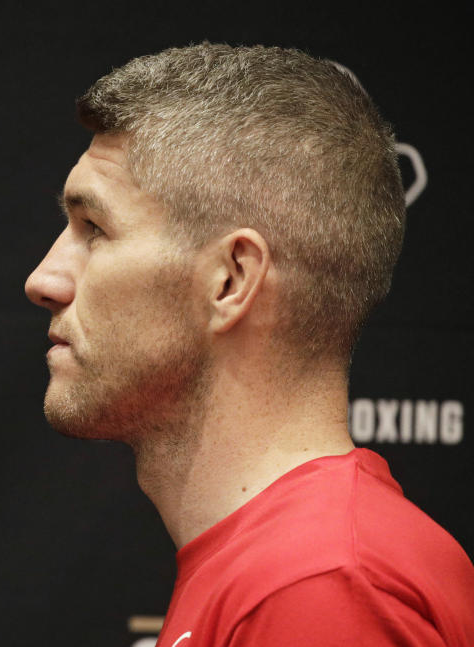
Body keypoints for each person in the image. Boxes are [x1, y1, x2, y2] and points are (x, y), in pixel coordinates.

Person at [25, 44, 474, 645]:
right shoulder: (290, 567)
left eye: (95, 230)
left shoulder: (320, 585)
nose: (44, 279)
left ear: (231, 280)